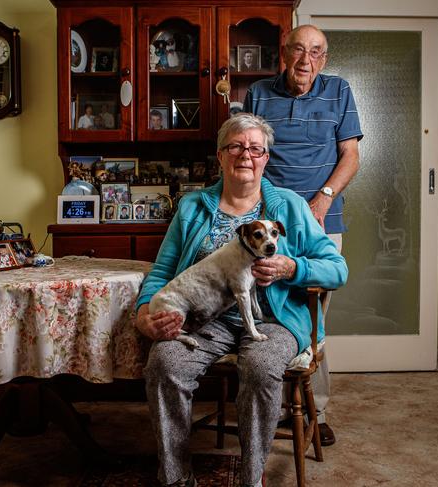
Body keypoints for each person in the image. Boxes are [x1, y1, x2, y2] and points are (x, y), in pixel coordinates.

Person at [136, 113, 347, 487]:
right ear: (220, 156)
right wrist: (143, 314)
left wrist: (291, 268)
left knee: (260, 366)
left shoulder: (291, 207)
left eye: (255, 148)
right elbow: (161, 270)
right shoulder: (193, 207)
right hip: (204, 322)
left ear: (266, 157)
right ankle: (176, 479)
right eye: (235, 146)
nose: (245, 155)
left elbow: (337, 269)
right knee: (164, 362)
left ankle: (252, 480)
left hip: (274, 320)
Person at [244, 24, 363, 447]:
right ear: (283, 53)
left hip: (322, 220)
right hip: (269, 223)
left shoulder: (339, 90)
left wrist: (323, 200)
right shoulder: (258, 93)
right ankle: (274, 406)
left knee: (313, 315)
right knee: (269, 308)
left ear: (324, 59)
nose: (305, 61)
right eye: (298, 51)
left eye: (315, 53)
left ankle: (318, 408)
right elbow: (251, 151)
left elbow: (351, 155)